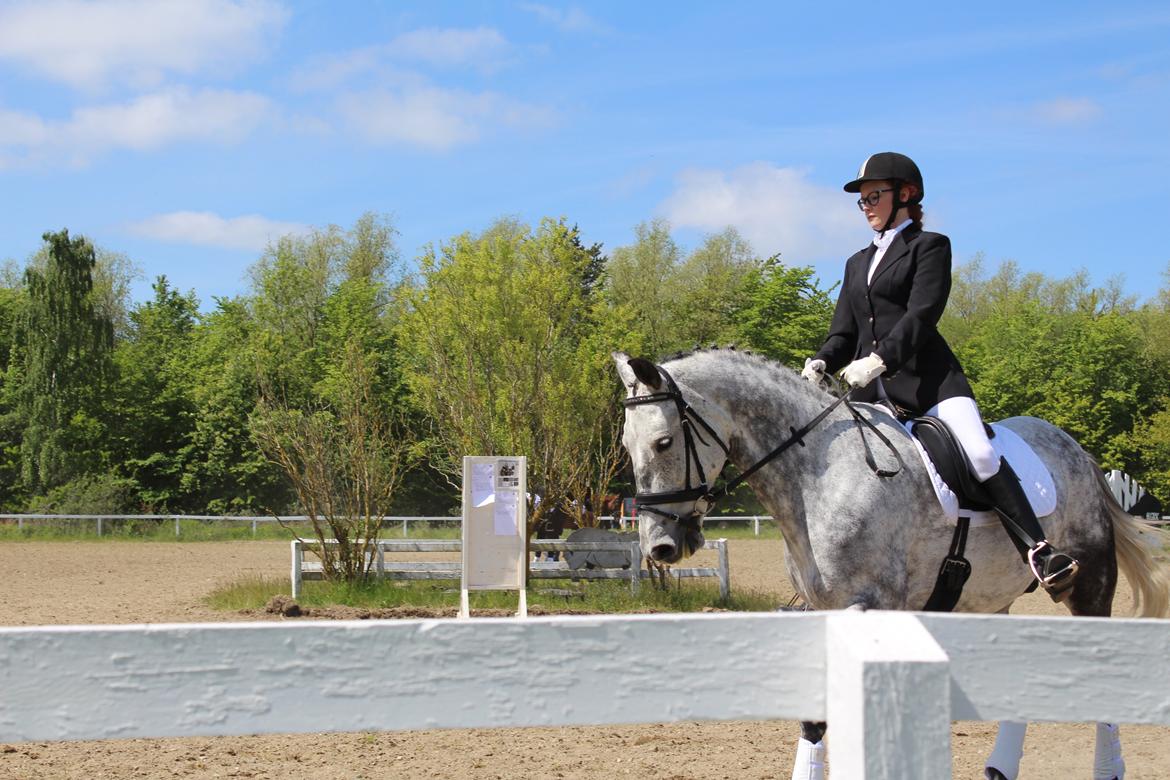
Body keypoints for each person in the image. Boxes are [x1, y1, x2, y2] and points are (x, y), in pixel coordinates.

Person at [800, 151, 1078, 600]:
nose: (866, 205)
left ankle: (1040, 551)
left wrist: (880, 358)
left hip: (929, 383)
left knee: (981, 455)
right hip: (870, 394)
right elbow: (842, 332)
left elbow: (921, 316)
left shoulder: (930, 246)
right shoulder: (855, 262)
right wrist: (821, 361)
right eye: (862, 199)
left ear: (905, 195)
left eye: (875, 195)